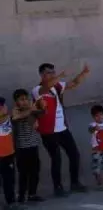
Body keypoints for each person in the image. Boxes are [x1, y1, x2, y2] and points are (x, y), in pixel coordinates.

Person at [33, 60, 89, 195]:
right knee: (56, 157)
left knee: (74, 154)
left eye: (53, 72)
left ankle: (75, 183)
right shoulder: (37, 90)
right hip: (48, 131)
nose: (52, 75)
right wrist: (60, 76)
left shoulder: (57, 86)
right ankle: (57, 187)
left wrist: (83, 73)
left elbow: (73, 84)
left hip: (62, 128)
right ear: (41, 75)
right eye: (48, 73)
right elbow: (46, 87)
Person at [10, 90, 43, 202]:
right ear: (16, 102)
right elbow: (15, 117)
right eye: (21, 99)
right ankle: (21, 196)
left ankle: (32, 194)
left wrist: (35, 109)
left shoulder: (32, 112)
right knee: (23, 173)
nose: (24, 102)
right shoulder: (15, 111)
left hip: (33, 146)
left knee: (35, 171)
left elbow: (40, 115)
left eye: (26, 99)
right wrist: (31, 109)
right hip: (22, 148)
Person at [0, 98, 15, 209]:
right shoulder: (6, 116)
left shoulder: (8, 117)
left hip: (9, 153)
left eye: (3, 105)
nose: (3, 107)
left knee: (9, 179)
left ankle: (11, 202)